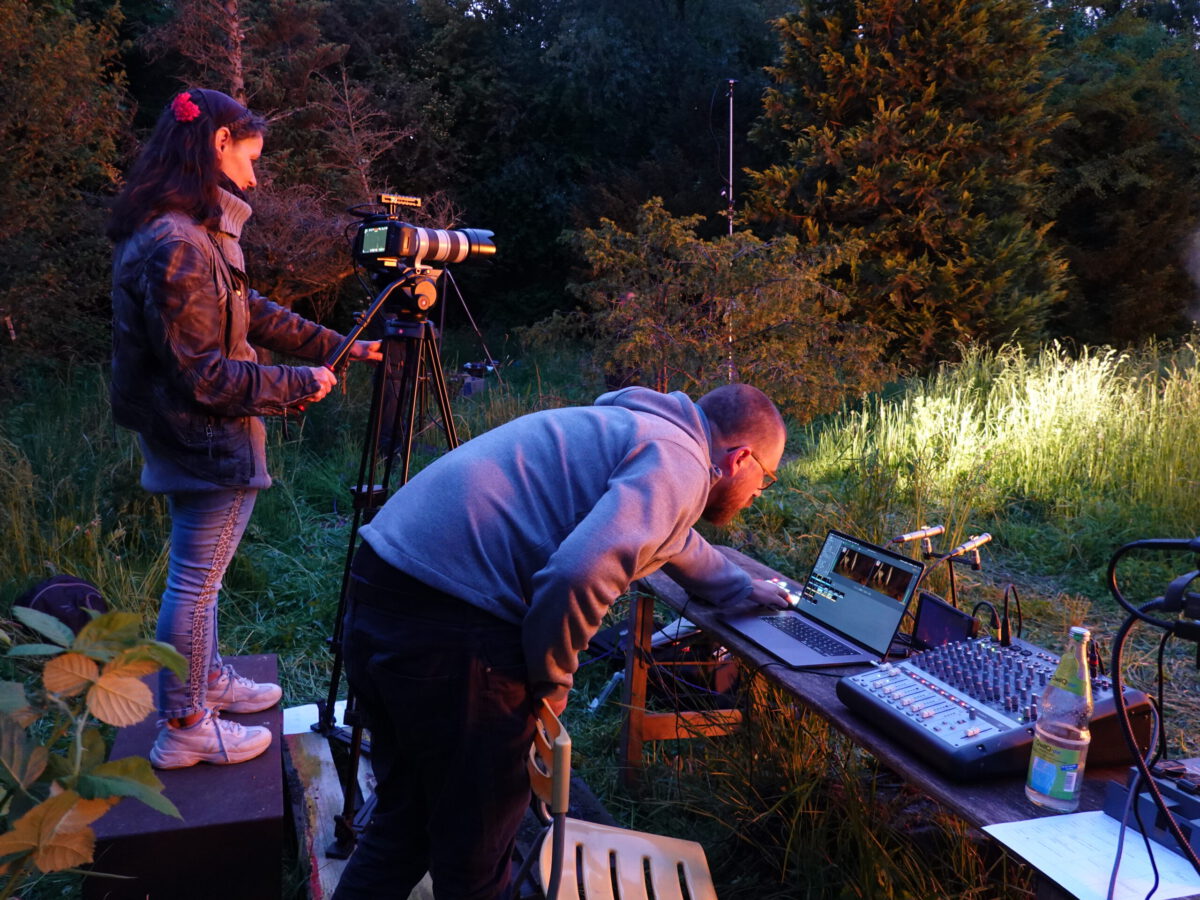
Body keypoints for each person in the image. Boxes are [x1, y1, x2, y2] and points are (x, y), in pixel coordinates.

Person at [333, 382, 792, 900]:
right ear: (740, 458)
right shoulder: (679, 459)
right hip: (453, 628)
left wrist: (740, 587)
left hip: (381, 591)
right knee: (474, 861)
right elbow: (576, 576)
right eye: (765, 479)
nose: (759, 493)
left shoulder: (635, 428)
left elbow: (673, 536)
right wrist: (551, 683)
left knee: (405, 824)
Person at [107, 88, 381, 769]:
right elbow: (203, 376)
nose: (255, 179)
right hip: (204, 435)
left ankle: (205, 680)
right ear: (217, 144)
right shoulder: (178, 242)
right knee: (195, 583)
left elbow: (245, 307)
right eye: (250, 159)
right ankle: (186, 723)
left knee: (200, 578)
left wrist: (337, 347)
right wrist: (298, 384)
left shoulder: (185, 230)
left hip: (187, 431)